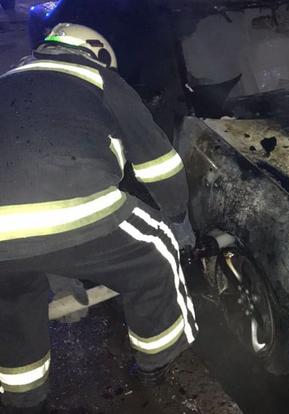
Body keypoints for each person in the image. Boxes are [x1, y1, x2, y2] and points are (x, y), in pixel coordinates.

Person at [0, 23, 198, 412]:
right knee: (155, 252)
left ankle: (23, 399)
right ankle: (156, 364)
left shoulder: (7, 80)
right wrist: (177, 217)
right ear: (97, 53)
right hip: (73, 208)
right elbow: (158, 164)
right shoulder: (98, 77)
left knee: (13, 303)